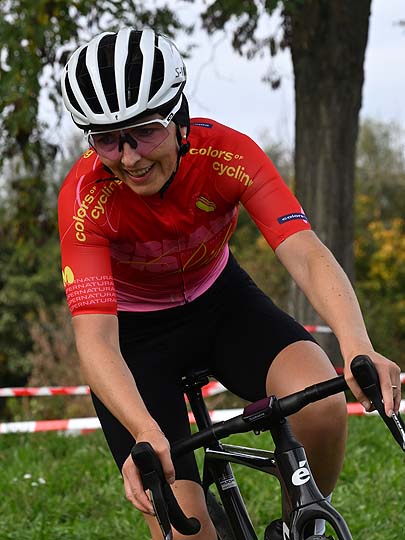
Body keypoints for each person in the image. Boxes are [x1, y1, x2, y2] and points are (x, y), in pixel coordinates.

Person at [58, 27, 401, 540]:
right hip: (135, 340)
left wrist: (358, 345)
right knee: (187, 529)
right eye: (107, 139)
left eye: (145, 131)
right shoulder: (85, 198)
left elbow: (305, 253)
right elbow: (96, 340)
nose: (129, 158)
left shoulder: (228, 154)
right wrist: (144, 430)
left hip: (221, 303)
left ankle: (302, 527)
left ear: (178, 117)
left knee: (323, 407)